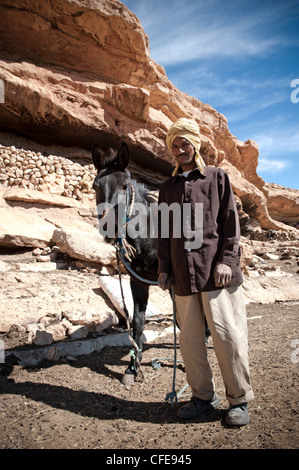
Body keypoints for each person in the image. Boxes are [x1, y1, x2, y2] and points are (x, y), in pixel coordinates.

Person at [158, 118, 254, 426]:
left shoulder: (216, 178)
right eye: (174, 145)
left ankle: (239, 400)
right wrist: (164, 268)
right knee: (189, 341)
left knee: (228, 337)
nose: (180, 149)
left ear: (195, 144)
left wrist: (228, 259)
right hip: (183, 277)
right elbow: (164, 232)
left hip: (216, 274)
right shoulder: (167, 188)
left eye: (184, 143)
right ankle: (202, 396)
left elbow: (230, 222)